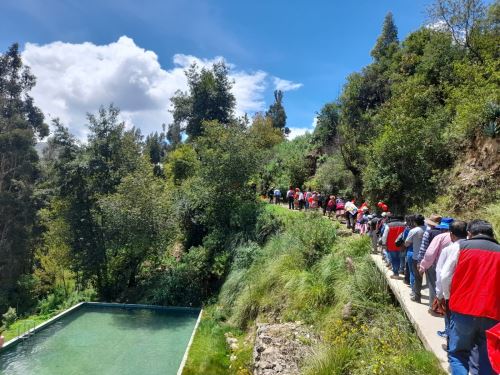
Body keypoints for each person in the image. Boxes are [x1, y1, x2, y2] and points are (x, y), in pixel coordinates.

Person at [441, 220, 500, 374]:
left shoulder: (460, 247)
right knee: (485, 358)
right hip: (492, 313)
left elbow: (445, 276)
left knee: (458, 354)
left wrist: (447, 297)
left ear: (469, 233)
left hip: (462, 309)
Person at [435, 221, 467, 345]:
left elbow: (442, 274)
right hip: (469, 292)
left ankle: (451, 344)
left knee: (451, 318)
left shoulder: (449, 249)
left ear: (452, 235)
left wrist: (441, 295)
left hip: (452, 292)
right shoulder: (473, 248)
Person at [419, 217, 454, 312]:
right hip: (455, 268)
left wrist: (423, 266)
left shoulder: (440, 237)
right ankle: (448, 309)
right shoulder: (463, 239)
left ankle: (435, 307)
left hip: (438, 266)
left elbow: (430, 254)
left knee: (434, 286)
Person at [406, 214, 426, 303]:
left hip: (416, 257)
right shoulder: (429, 230)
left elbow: (407, 243)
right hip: (429, 257)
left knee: (417, 277)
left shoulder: (413, 231)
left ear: (415, 222)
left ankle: (416, 295)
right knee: (431, 279)